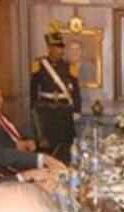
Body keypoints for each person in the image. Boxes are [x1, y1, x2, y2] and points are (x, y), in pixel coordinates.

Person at [30, 31, 81, 161]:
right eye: (57, 47)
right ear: (50, 48)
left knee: (65, 140)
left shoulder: (69, 66)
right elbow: (34, 88)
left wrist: (77, 110)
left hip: (63, 108)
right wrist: (33, 108)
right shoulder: (39, 64)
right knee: (46, 142)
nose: (60, 50)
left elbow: (75, 90)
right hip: (45, 108)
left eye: (61, 47)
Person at [0, 83, 36, 152]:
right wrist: (15, 145)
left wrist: (28, 141)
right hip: (9, 154)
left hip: (24, 152)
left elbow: (17, 134)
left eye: (0, 96)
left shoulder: (3, 116)